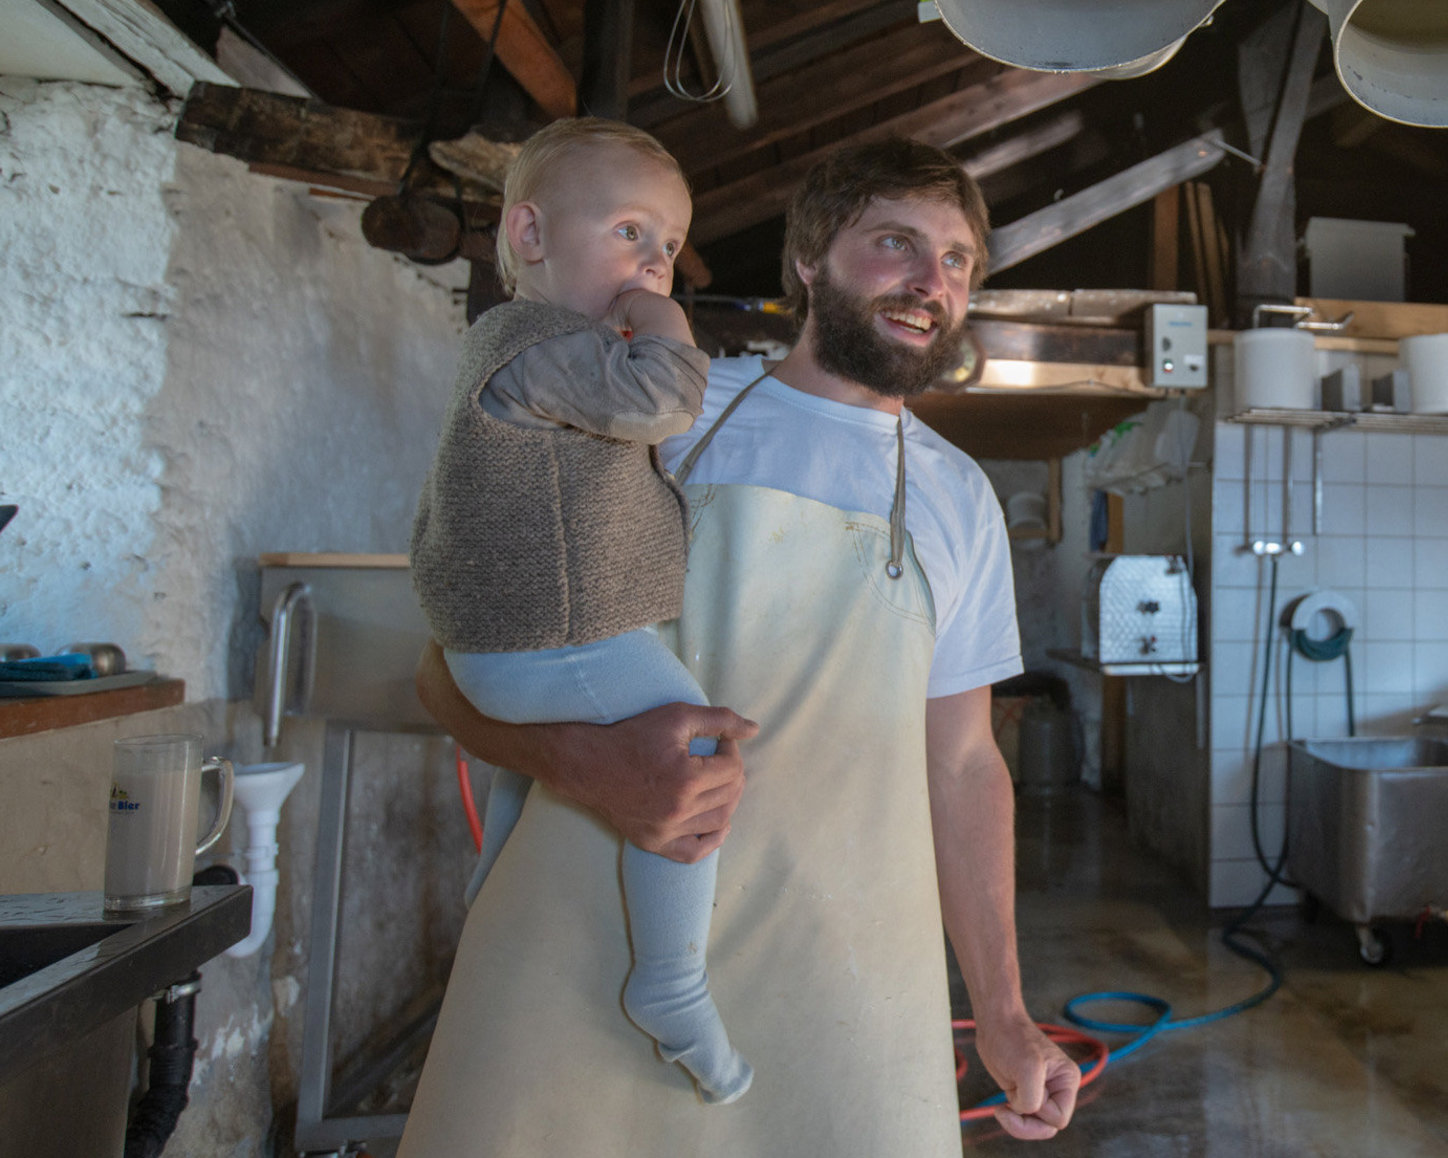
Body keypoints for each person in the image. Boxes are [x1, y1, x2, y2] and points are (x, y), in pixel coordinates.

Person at [399, 140, 1080, 1156]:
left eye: (956, 262)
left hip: (838, 974)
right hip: (588, 942)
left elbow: (966, 761)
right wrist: (582, 764)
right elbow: (450, 662)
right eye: (896, 243)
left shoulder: (955, 497)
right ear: (809, 260)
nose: (931, 283)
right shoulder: (656, 409)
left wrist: (1005, 1011)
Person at [407, 116, 748, 1104]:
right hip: (556, 638)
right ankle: (670, 984)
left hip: (513, 652)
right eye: (631, 232)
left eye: (671, 247)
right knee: (689, 758)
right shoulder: (534, 340)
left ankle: (490, 920)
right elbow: (660, 407)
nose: (655, 267)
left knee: (521, 814)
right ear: (529, 237)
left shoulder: (533, 348)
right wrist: (677, 331)